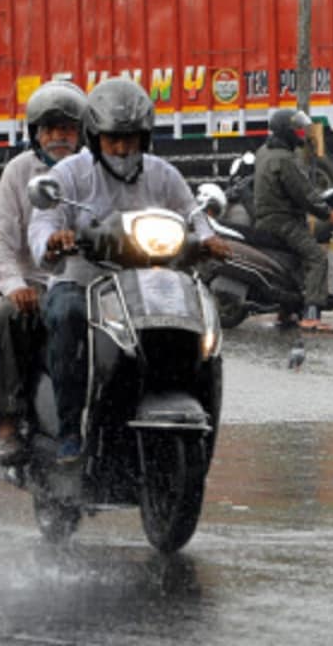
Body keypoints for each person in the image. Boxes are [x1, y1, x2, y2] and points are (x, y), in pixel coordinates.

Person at [29, 78, 230, 463]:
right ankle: (71, 429)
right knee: (66, 315)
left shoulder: (162, 173)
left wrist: (208, 239)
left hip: (151, 281)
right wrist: (54, 239)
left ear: (146, 138)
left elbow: (192, 213)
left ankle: (196, 410)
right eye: (113, 139)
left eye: (132, 139)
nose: (122, 149)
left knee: (199, 321)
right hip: (83, 280)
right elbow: (42, 223)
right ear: (94, 137)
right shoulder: (70, 174)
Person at [0, 80, 86, 465]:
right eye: (50, 128)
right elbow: (0, 239)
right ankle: (9, 423)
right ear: (36, 134)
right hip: (39, 288)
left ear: (82, 133)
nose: (59, 136)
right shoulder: (19, 173)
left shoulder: (96, 171)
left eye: (68, 128)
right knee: (8, 319)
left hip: (94, 286)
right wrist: (15, 287)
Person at [253, 109, 333, 332]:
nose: (301, 133)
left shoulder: (263, 152)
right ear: (286, 132)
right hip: (283, 223)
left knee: (293, 262)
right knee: (316, 258)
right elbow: (304, 195)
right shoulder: (284, 160)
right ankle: (312, 315)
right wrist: (328, 214)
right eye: (297, 129)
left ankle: (286, 311)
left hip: (264, 221)